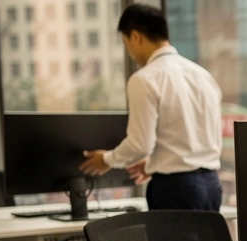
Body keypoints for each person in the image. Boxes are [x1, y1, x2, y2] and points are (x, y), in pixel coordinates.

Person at [79, 4, 222, 213]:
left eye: (126, 44)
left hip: (176, 190)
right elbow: (197, 137)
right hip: (211, 186)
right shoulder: (202, 75)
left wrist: (106, 160)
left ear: (136, 37)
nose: (130, 53)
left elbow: (140, 145)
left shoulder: (145, 79)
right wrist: (155, 163)